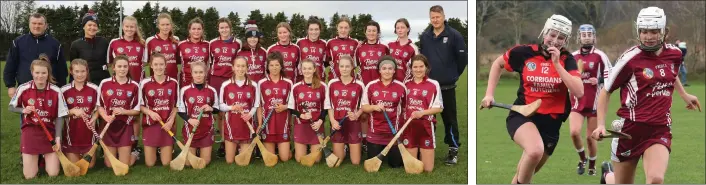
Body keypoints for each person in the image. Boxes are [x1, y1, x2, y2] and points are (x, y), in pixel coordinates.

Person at [591, 7, 701, 184]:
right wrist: (601, 124)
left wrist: (684, 94)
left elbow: (670, 73)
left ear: (664, 32)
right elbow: (606, 91)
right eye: (644, 31)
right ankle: (608, 176)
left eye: (654, 31)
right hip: (630, 131)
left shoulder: (675, 54)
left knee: (656, 179)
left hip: (659, 128)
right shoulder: (629, 59)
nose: (648, 36)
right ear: (638, 32)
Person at [481, 14, 583, 184]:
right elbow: (498, 64)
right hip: (523, 115)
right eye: (552, 34)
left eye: (561, 37)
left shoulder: (567, 60)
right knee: (535, 151)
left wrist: (557, 64)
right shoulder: (524, 53)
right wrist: (489, 94)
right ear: (544, 32)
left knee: (524, 172)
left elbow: (579, 91)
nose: (555, 40)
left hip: (551, 124)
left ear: (566, 40)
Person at [419, 5, 467, 165]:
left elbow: (462, 60)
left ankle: (453, 149)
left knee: (449, 119)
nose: (435, 20)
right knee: (426, 118)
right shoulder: (425, 36)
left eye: (438, 17)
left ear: (443, 16)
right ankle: (424, 147)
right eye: (432, 17)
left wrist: (453, 75)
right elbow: (423, 60)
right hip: (429, 87)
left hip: (447, 87)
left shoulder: (454, 35)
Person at [9, 55, 68, 179]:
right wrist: (23, 109)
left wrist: (57, 137)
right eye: (37, 73)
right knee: (29, 175)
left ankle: (43, 158)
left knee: (53, 173)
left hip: (49, 132)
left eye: (43, 73)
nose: (40, 76)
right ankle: (36, 158)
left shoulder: (56, 91)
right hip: (30, 131)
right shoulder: (23, 88)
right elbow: (11, 107)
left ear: (48, 73)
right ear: (31, 72)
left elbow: (59, 116)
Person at [568, 24, 612, 176]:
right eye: (583, 34)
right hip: (577, 101)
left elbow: (611, 76)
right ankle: (582, 159)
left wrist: (598, 80)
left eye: (589, 34)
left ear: (594, 37)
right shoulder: (572, 57)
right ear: (579, 37)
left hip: (594, 102)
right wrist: (574, 78)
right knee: (574, 132)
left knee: (590, 137)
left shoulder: (601, 55)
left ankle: (592, 165)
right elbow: (565, 77)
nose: (586, 37)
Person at [107, 16, 147, 157]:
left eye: (132, 26)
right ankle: (116, 143)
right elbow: (109, 63)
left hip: (137, 85)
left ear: (136, 28)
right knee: (118, 113)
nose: (130, 29)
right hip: (118, 85)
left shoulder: (142, 44)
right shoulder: (114, 43)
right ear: (122, 27)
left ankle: (134, 144)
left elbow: (145, 63)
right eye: (127, 26)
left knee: (135, 115)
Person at [5, 13, 68, 98]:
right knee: (27, 111)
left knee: (50, 111)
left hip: (50, 91)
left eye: (40, 24)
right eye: (34, 23)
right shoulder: (18, 42)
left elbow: (61, 69)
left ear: (46, 26)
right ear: (29, 24)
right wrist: (10, 86)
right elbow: (10, 64)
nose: (36, 26)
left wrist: (62, 88)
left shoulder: (55, 44)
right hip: (25, 89)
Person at [361, 56, 407, 169]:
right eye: (384, 68)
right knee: (373, 163)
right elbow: (364, 107)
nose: (387, 71)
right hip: (375, 132)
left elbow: (405, 109)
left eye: (390, 68)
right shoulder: (371, 86)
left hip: (393, 133)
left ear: (394, 70)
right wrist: (374, 107)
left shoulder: (401, 87)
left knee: (395, 165)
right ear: (379, 70)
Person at [97, 55, 141, 169]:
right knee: (109, 165)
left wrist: (123, 111)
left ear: (128, 67)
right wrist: (105, 117)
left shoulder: (134, 85)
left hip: (125, 127)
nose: (122, 69)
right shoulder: (104, 83)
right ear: (113, 68)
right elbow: (99, 106)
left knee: (124, 165)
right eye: (119, 66)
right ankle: (115, 152)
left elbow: (137, 110)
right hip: (109, 126)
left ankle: (135, 153)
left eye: (125, 66)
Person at [402, 54, 443, 172]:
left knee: (428, 169)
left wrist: (422, 113)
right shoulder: (406, 84)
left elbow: (439, 108)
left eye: (421, 66)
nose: (418, 70)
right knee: (411, 170)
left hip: (426, 126)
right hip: (409, 127)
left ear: (426, 67)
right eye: (415, 67)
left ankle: (423, 154)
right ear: (411, 68)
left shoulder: (433, 84)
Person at [138, 53, 179, 167]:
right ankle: (154, 148)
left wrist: (171, 122)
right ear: (151, 65)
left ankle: (164, 148)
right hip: (151, 124)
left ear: (166, 65)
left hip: (167, 126)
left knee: (166, 163)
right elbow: (140, 106)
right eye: (155, 64)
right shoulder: (145, 83)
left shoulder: (173, 83)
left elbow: (177, 105)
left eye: (161, 64)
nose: (158, 67)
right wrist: (150, 112)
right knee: (150, 164)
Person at [210, 17, 242, 158]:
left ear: (230, 28)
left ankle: (233, 137)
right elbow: (209, 62)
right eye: (221, 27)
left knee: (232, 109)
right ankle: (223, 140)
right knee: (220, 112)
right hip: (216, 79)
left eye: (226, 27)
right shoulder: (212, 43)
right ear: (218, 29)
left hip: (231, 80)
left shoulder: (237, 43)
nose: (224, 30)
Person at [177, 61, 219, 167]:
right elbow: (181, 110)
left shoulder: (212, 90)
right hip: (191, 129)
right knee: (188, 163)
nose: (198, 75)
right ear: (191, 73)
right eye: (196, 72)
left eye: (201, 72)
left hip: (206, 129)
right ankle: (196, 150)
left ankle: (201, 150)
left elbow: (217, 109)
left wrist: (210, 108)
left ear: (205, 73)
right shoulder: (185, 90)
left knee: (204, 162)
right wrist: (190, 120)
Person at [219, 56, 259, 164]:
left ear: (247, 68)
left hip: (246, 125)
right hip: (231, 125)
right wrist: (231, 107)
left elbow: (256, 105)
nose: (240, 69)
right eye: (238, 66)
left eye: (243, 66)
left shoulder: (254, 85)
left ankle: (246, 149)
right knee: (229, 161)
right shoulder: (225, 85)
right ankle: (236, 149)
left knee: (243, 163)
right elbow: (220, 105)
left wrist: (250, 114)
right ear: (233, 68)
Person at [60, 59, 99, 168]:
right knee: (75, 166)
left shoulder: (95, 89)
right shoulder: (64, 90)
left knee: (89, 166)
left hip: (89, 135)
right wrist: (72, 111)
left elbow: (98, 110)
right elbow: (58, 113)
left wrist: (94, 118)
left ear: (87, 71)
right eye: (76, 71)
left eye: (82, 71)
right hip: (71, 137)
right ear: (71, 71)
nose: (80, 74)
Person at [288, 59, 329, 163]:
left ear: (314, 69)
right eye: (304, 68)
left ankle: (312, 148)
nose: (307, 71)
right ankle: (298, 149)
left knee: (316, 160)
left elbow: (326, 107)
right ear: (301, 70)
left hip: (317, 125)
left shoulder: (323, 86)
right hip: (301, 124)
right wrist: (301, 115)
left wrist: (320, 121)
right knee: (299, 159)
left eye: (310, 68)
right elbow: (291, 108)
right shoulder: (296, 87)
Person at [327, 55, 365, 165]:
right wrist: (333, 121)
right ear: (338, 67)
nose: (344, 69)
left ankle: (354, 146)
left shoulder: (359, 84)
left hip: (353, 122)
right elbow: (329, 105)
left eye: (347, 66)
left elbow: (364, 105)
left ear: (352, 67)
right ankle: (343, 148)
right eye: (342, 66)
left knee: (356, 162)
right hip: (337, 123)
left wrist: (357, 114)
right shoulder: (332, 83)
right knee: (338, 160)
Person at [257, 52, 294, 162]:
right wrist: (260, 124)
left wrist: (285, 106)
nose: (274, 68)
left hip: (283, 123)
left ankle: (287, 150)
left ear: (281, 66)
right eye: (271, 65)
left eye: (277, 65)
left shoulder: (288, 82)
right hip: (268, 124)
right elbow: (259, 105)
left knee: (285, 158)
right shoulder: (261, 83)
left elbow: (293, 103)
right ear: (267, 67)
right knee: (270, 160)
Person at [70, 11, 111, 86]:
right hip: (85, 82)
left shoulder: (103, 41)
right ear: (84, 26)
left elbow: (109, 61)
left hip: (103, 81)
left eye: (95, 25)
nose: (92, 27)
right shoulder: (76, 44)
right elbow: (73, 67)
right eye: (89, 25)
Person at [145, 13, 180, 80]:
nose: (165, 27)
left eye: (167, 24)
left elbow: (179, 61)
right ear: (158, 26)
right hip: (156, 81)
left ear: (171, 25)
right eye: (162, 25)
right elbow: (145, 62)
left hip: (173, 80)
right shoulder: (150, 41)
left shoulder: (176, 40)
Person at [356, 20, 390, 85]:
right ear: (365, 32)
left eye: (374, 31)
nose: (371, 33)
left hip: (380, 84)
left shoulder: (384, 47)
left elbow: (389, 65)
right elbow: (354, 66)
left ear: (378, 32)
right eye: (369, 31)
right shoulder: (360, 47)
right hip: (363, 83)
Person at [178, 17, 210, 86]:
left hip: (203, 83)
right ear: (189, 30)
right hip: (186, 82)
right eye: (193, 29)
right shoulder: (181, 45)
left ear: (202, 30)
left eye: (199, 29)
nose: (196, 31)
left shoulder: (208, 45)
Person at [326, 16, 359, 81]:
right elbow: (326, 61)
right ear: (337, 28)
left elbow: (358, 61)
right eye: (341, 27)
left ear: (349, 28)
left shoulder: (355, 42)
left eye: (346, 28)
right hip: (334, 78)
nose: (343, 30)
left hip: (350, 79)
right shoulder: (330, 42)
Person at [296, 16, 328, 81]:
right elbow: (296, 62)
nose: (314, 32)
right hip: (303, 80)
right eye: (311, 29)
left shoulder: (324, 43)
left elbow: (326, 62)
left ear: (320, 30)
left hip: (319, 80)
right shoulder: (300, 42)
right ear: (307, 30)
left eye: (316, 29)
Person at [388, 18, 419, 82]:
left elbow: (416, 67)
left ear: (408, 29)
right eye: (398, 28)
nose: (400, 30)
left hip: (405, 83)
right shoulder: (389, 45)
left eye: (402, 27)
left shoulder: (413, 48)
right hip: (389, 83)